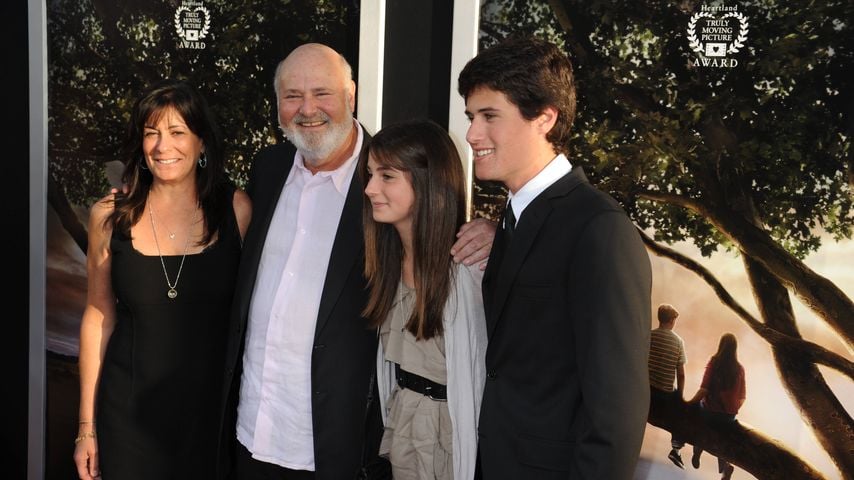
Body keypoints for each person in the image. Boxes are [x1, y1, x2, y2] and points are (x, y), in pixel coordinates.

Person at [215, 43, 494, 480]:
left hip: (340, 446)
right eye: (292, 96)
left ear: (351, 96)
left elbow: (436, 227)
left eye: (321, 93)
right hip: (251, 432)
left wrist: (496, 234)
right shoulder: (268, 168)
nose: (307, 109)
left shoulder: (385, 180)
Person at [458, 36, 652, 479]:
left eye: (490, 116)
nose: (472, 134)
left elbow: (616, 416)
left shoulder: (599, 229)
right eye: (472, 117)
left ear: (545, 117)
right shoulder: (512, 217)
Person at [73, 78, 252, 480]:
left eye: (177, 132)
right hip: (127, 421)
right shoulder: (109, 215)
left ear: (201, 142)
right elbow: (98, 317)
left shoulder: (236, 210)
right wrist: (87, 428)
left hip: (211, 422)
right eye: (151, 133)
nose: (162, 146)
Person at [361, 119, 487, 480]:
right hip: (402, 428)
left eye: (386, 176)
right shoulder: (386, 264)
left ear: (428, 181)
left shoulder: (468, 270)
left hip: (451, 443)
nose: (370, 188)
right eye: (370, 174)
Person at [688, 333, 746, 480]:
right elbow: (742, 397)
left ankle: (697, 453)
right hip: (729, 416)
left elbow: (704, 390)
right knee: (724, 436)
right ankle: (725, 468)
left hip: (710, 412)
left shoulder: (714, 362)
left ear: (721, 345)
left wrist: (689, 404)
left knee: (699, 422)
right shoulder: (740, 369)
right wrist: (731, 409)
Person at [648, 303, 688, 468]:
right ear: (671, 320)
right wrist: (680, 396)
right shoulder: (678, 341)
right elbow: (681, 374)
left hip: (645, 390)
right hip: (663, 394)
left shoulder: (648, 336)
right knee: (682, 414)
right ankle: (676, 450)